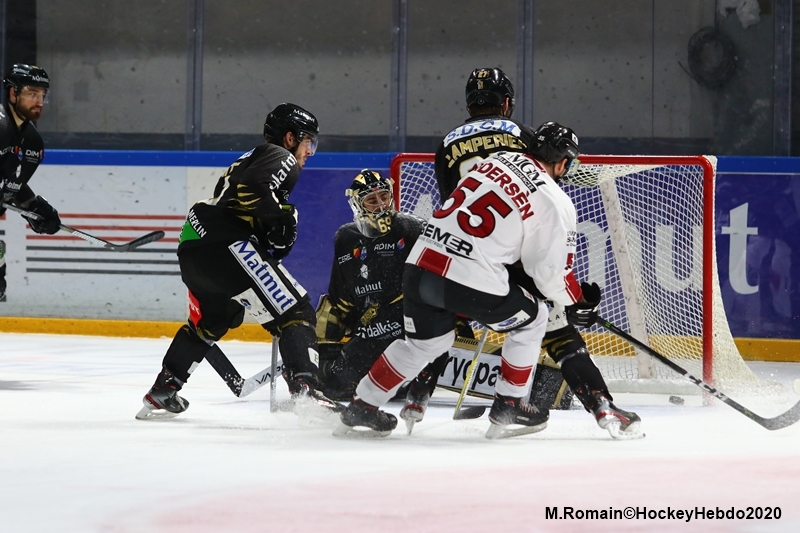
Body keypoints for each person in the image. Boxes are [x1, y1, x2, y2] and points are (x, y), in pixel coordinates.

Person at [418, 67, 643, 440]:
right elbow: (540, 186)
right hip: (513, 253)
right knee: (559, 332)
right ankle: (600, 406)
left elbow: (453, 202)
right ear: (506, 101)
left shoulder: (446, 145)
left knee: (439, 326)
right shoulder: (521, 134)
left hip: (462, 255)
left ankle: (416, 396)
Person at [335, 122, 590, 439]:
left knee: (426, 344)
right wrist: (578, 301)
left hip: (420, 265)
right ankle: (509, 403)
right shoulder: (555, 200)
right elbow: (552, 279)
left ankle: (362, 404)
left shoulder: (494, 161)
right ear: (563, 161)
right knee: (534, 318)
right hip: (466, 277)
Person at [136, 103, 341, 420]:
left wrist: (277, 230)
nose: (310, 152)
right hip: (224, 243)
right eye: (308, 142)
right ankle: (306, 391)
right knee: (296, 310)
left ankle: (164, 388)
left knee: (212, 321)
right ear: (290, 137)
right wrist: (282, 217)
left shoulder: (252, 157)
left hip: (194, 242)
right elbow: (252, 191)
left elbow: (251, 207)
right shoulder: (280, 156)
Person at [315, 169, 426, 400]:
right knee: (328, 310)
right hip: (367, 327)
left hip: (407, 323)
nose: (382, 205)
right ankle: (321, 365)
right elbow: (340, 295)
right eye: (372, 200)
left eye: (384, 197)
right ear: (358, 204)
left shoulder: (413, 228)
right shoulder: (346, 238)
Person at [0, 64, 61, 302]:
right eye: (32, 93)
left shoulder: (32, 143)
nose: (39, 101)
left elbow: (11, 183)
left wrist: (34, 208)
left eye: (42, 95)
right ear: (13, 93)